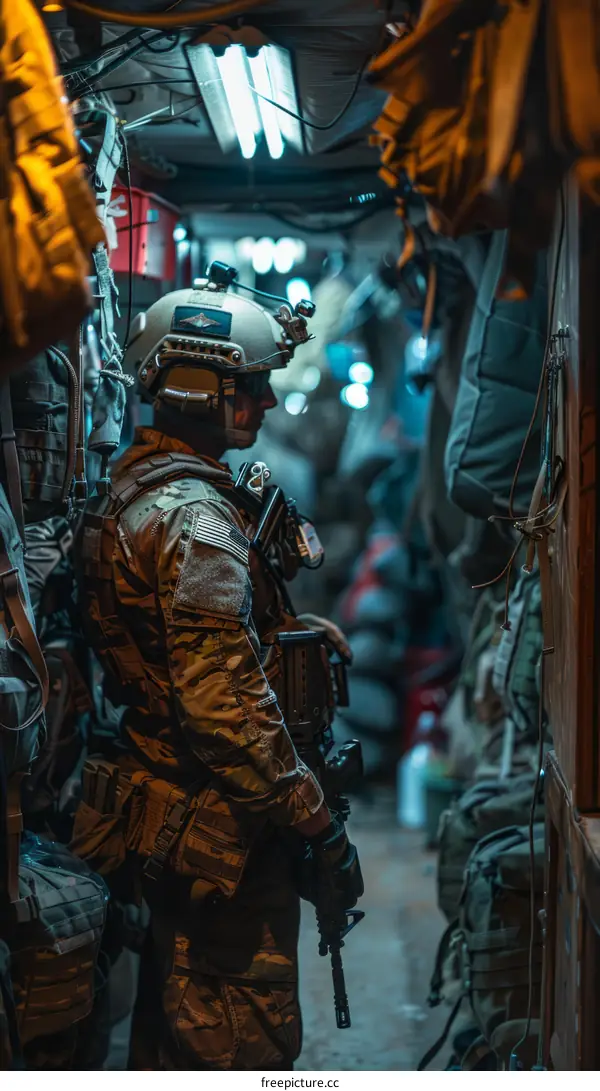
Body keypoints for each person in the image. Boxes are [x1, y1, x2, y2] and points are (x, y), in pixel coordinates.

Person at [73, 265, 363, 1071]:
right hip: (224, 832)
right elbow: (225, 709)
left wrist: (288, 633)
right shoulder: (199, 519)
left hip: (170, 808)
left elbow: (185, 649)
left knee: (175, 1028)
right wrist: (317, 822)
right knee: (239, 1039)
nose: (266, 402)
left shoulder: (137, 482)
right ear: (203, 387)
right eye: (251, 385)